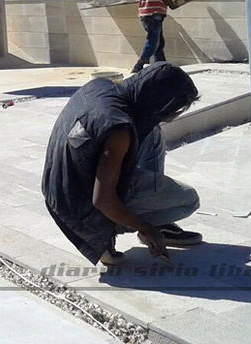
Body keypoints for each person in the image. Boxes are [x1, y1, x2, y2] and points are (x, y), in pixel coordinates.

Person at [41, 62, 202, 266]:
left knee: (152, 133)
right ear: (160, 102)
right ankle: (105, 238)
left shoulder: (100, 87)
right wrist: (146, 227)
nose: (170, 117)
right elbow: (102, 200)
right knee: (188, 199)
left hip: (58, 185)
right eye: (172, 110)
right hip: (78, 208)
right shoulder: (119, 131)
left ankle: (147, 217)